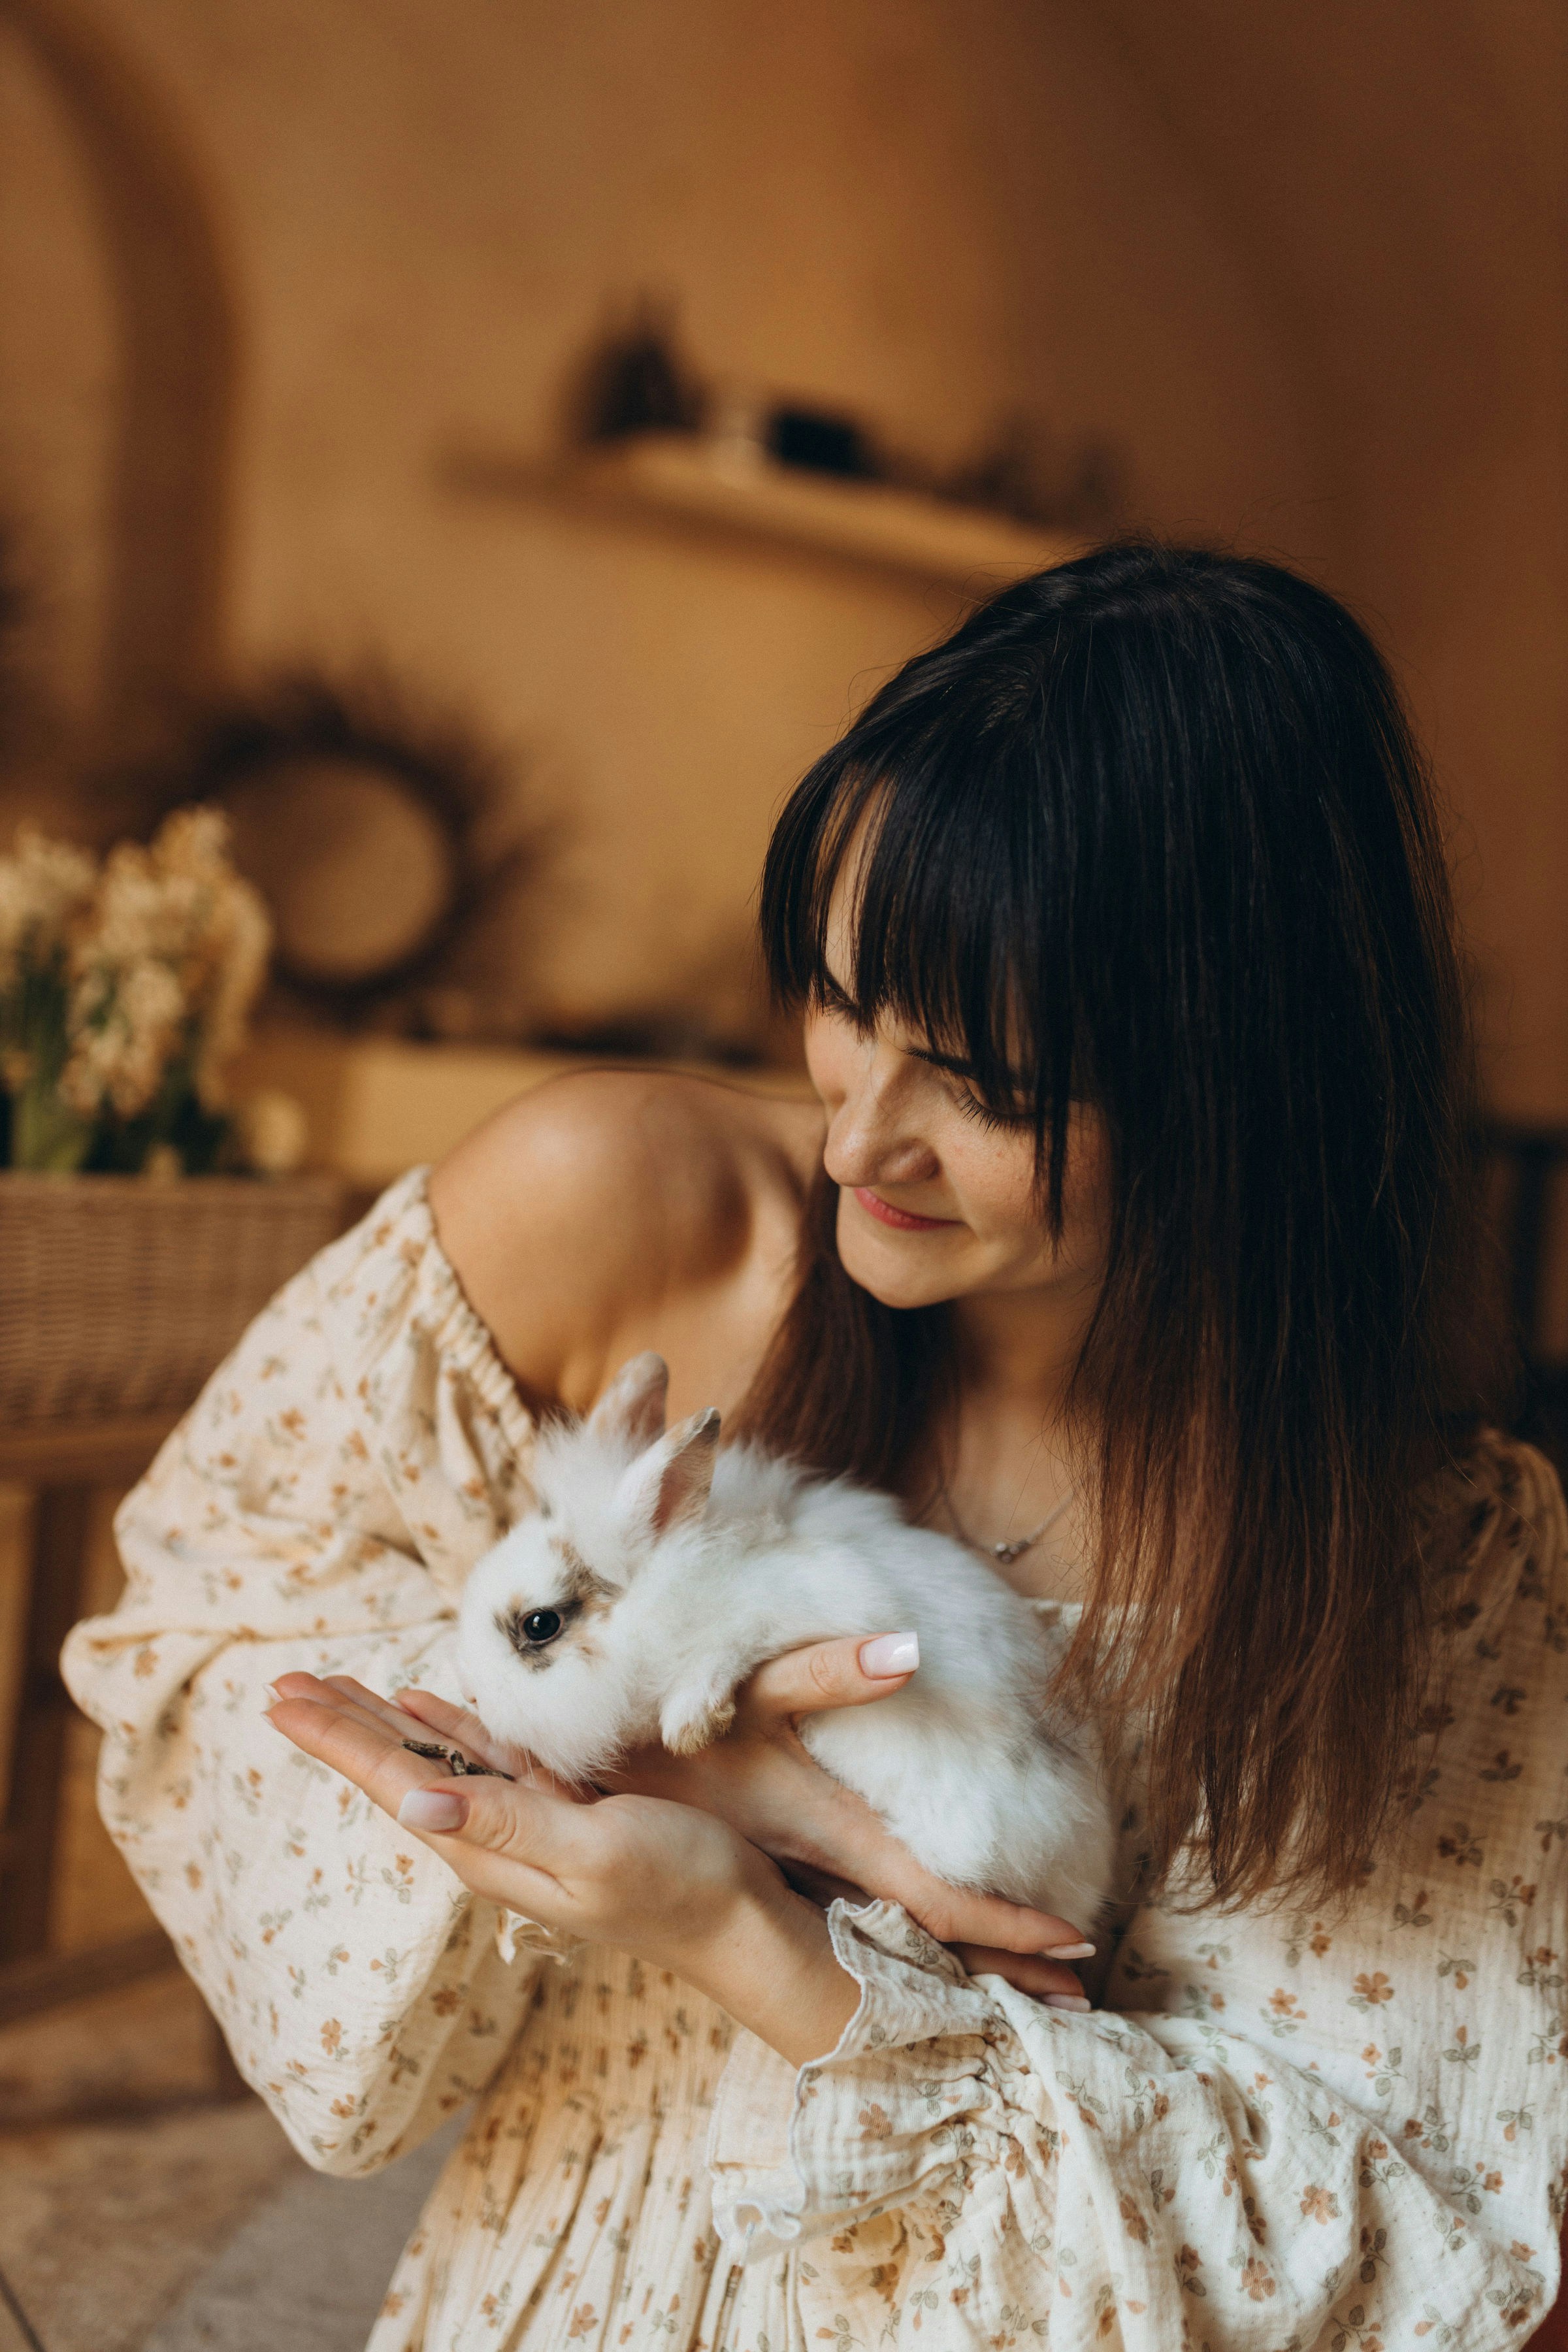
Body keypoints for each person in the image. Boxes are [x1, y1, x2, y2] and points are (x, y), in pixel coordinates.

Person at [65, 544, 1568, 2350]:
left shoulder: (1435, 1558)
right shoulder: (624, 1218)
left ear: (1242, 1090)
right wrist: (636, 1755)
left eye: (990, 1087)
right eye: (843, 1001)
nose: (864, 1138)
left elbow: (1407, 2254)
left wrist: (766, 1938)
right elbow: (185, 1648)